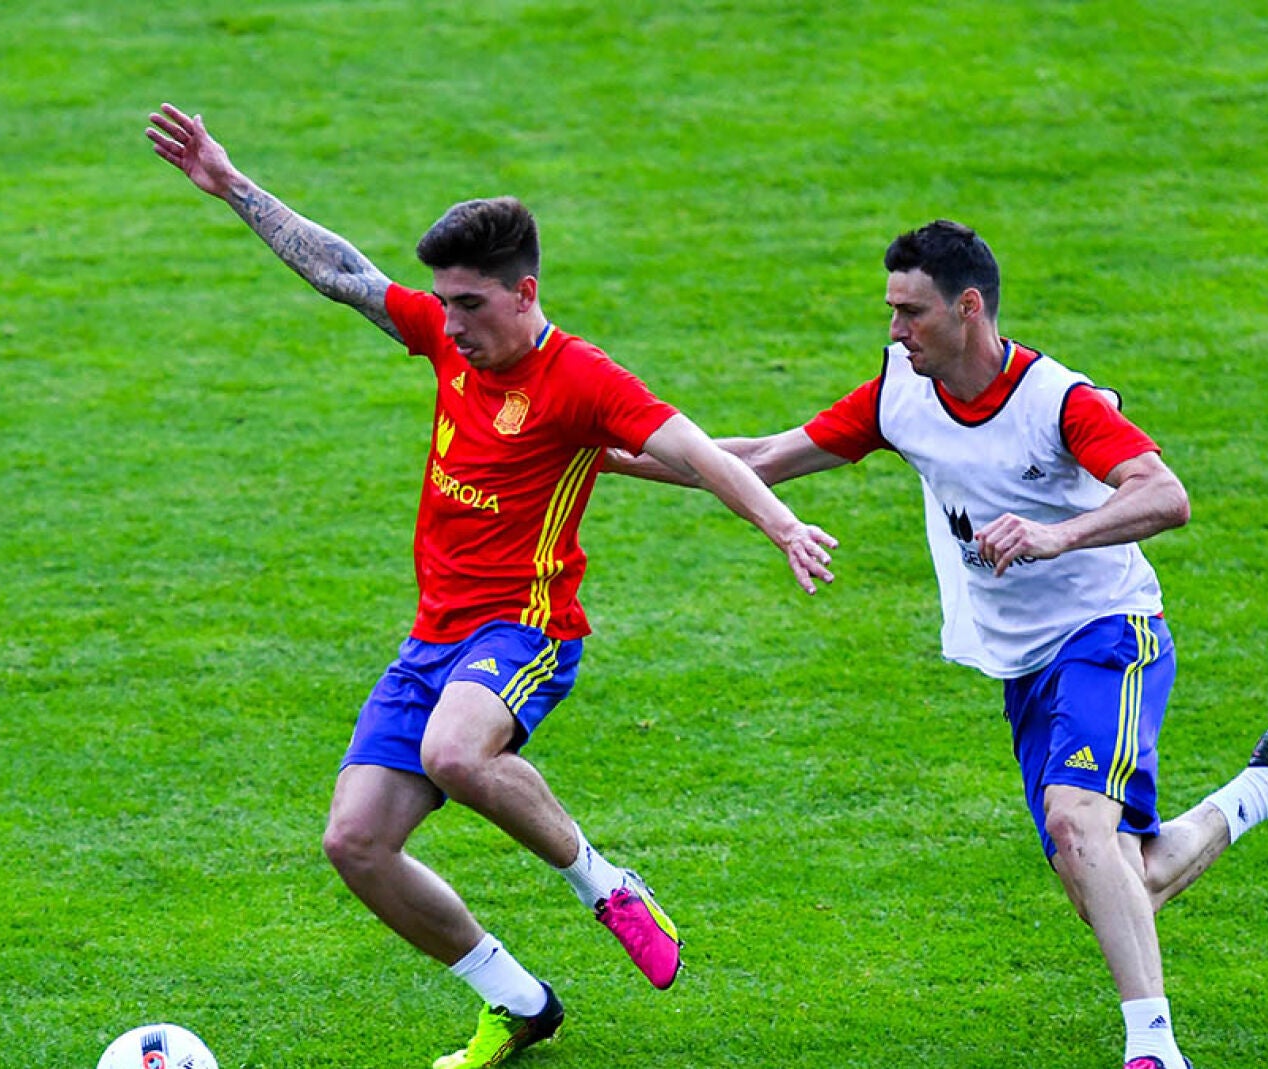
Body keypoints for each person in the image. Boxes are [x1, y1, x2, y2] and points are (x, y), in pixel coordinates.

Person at [145, 103, 838, 1069]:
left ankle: (607, 884)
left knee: (458, 752)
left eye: (470, 303)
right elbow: (344, 272)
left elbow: (689, 448)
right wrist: (231, 185)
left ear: (525, 291)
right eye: (446, 302)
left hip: (528, 626)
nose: (451, 320)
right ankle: (515, 1000)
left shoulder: (582, 379)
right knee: (355, 842)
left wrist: (782, 523)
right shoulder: (445, 339)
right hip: (433, 638)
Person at [606, 220, 1268, 1069]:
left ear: (967, 307)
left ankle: (1154, 1051)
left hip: (1110, 634)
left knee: (1075, 821)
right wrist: (604, 452)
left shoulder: (1059, 402)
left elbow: (1166, 495)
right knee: (1120, 884)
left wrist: (1061, 536)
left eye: (910, 313)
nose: (895, 331)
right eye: (890, 312)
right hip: (1024, 666)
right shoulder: (896, 397)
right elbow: (759, 455)